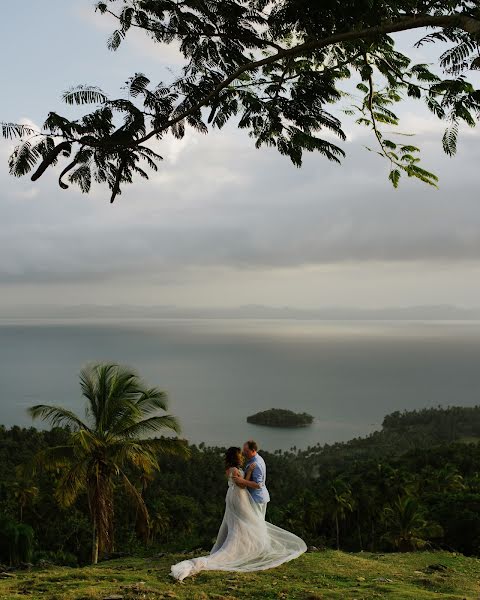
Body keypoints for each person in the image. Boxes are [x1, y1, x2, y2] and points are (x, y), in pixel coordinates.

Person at [170, 442, 306, 581]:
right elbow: (242, 484)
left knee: (239, 521)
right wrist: (250, 472)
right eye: (240, 454)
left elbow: (240, 482)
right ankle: (244, 548)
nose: (242, 455)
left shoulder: (230, 468)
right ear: (236, 457)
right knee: (245, 521)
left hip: (233, 495)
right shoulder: (235, 470)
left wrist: (247, 473)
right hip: (239, 496)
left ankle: (248, 546)